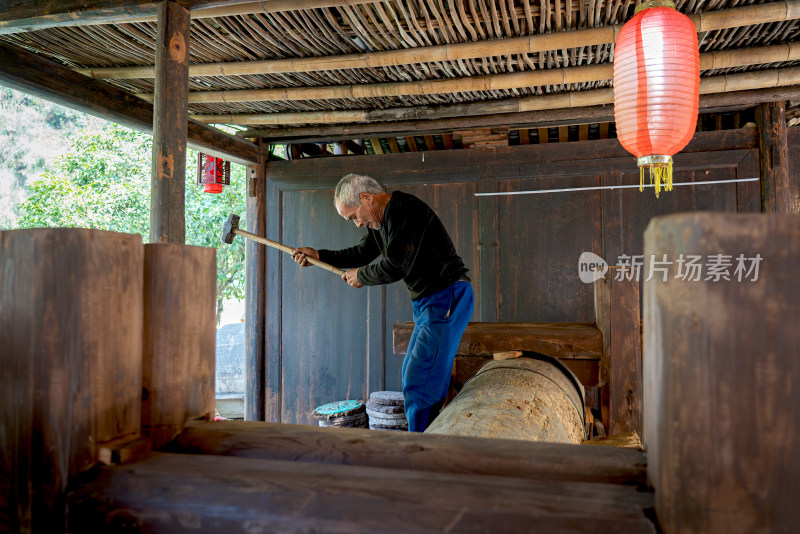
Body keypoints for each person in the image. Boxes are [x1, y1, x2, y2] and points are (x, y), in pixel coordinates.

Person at [292, 173, 474, 432]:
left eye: (354, 216)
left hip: (447, 296)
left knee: (419, 376)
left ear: (367, 198)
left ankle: (420, 448)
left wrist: (361, 276)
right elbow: (362, 253)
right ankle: (429, 436)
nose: (356, 224)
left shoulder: (402, 211)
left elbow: (396, 265)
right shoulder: (381, 223)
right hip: (428, 303)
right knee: (415, 373)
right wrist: (318, 255)